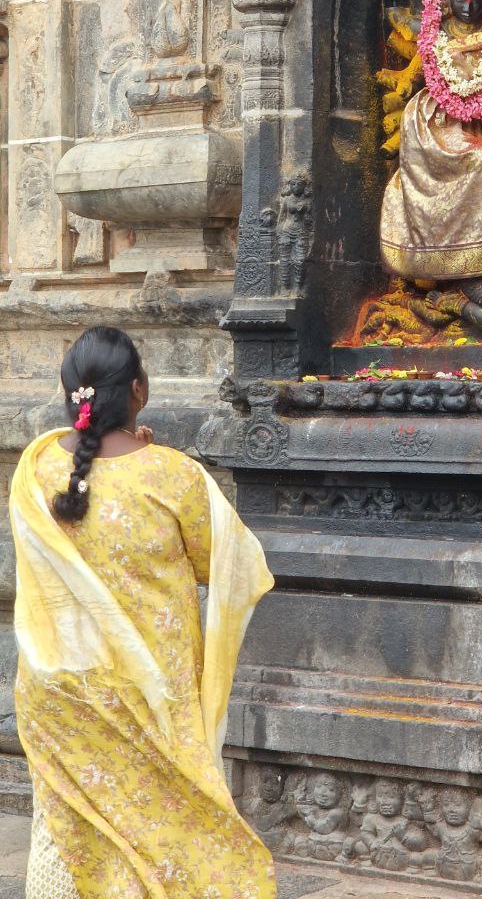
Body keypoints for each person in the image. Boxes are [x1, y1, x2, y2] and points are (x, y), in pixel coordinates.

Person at [10, 325, 276, 899]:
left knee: (67, 829)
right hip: (150, 691)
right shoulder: (173, 475)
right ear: (139, 389)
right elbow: (229, 567)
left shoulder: (32, 473)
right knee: (161, 827)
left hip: (59, 691)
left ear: (70, 395)